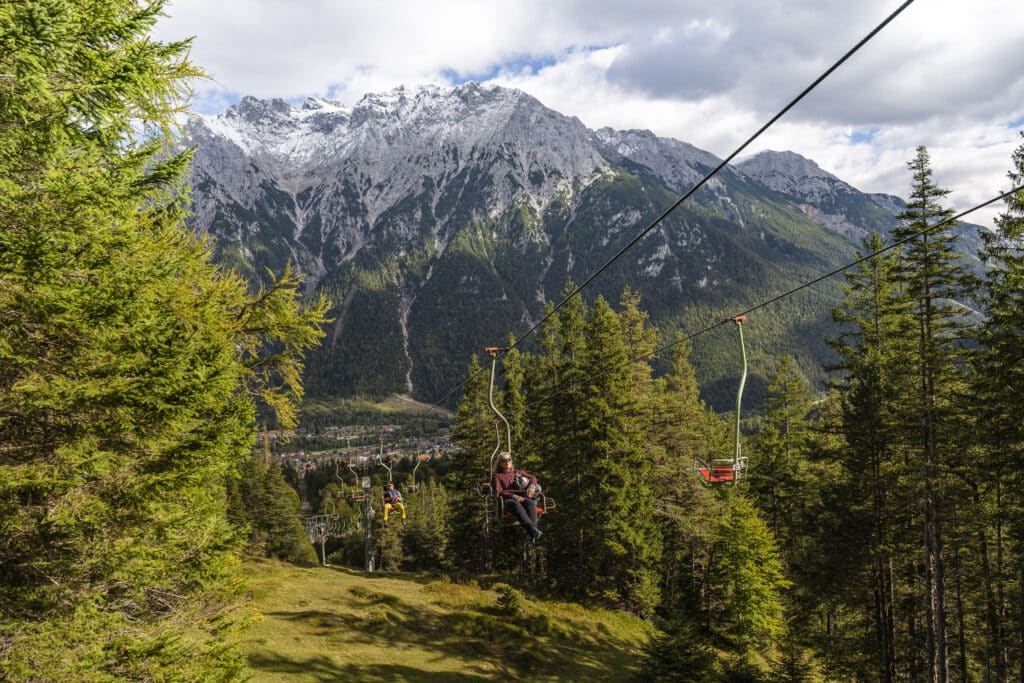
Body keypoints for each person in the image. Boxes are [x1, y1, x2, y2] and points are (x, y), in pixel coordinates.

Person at [491, 452, 543, 543]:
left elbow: (532, 477)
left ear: (511, 461)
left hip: (520, 498)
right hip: (506, 501)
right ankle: (532, 531)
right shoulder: (497, 476)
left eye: (509, 460)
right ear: (499, 463)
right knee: (515, 504)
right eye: (504, 461)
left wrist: (532, 486)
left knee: (530, 503)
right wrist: (514, 496)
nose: (507, 462)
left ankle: (532, 532)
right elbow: (499, 491)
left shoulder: (517, 472)